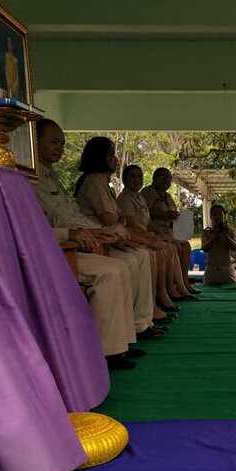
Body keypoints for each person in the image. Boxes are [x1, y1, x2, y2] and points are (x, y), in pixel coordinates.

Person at [32, 122, 142, 368]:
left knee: (123, 265)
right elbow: (37, 226)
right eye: (53, 142)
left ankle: (121, 343)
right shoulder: (28, 179)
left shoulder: (53, 178)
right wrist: (76, 233)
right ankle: (105, 351)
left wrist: (98, 233)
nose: (59, 148)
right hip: (54, 251)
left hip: (74, 243)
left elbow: (74, 216)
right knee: (112, 270)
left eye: (62, 143)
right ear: (34, 142)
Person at [70, 135, 170, 333]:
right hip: (97, 242)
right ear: (101, 158)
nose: (115, 159)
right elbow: (110, 218)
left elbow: (119, 219)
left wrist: (123, 223)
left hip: (109, 239)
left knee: (142, 254)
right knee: (134, 259)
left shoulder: (104, 184)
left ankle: (141, 321)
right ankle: (132, 323)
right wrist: (122, 222)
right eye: (111, 155)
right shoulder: (94, 181)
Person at [116, 163, 188, 312]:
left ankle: (176, 287)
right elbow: (132, 224)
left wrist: (161, 234)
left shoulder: (140, 198)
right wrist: (154, 236)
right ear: (124, 179)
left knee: (175, 246)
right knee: (164, 250)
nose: (137, 180)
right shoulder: (126, 198)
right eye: (133, 176)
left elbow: (147, 222)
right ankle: (160, 296)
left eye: (139, 176)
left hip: (154, 233)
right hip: (135, 238)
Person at [141, 168, 199, 296]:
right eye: (162, 177)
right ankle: (169, 288)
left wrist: (176, 217)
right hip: (153, 231)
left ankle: (184, 282)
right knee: (175, 247)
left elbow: (171, 213)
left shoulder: (167, 196)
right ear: (155, 178)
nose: (166, 180)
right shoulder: (147, 193)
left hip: (169, 231)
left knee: (186, 246)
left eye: (168, 178)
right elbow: (144, 215)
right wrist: (164, 214)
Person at [202, 204, 236, 285]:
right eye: (215, 214)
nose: (217, 217)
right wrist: (214, 237)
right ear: (211, 217)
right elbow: (204, 248)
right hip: (211, 271)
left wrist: (225, 236)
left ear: (224, 217)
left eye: (220, 215)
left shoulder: (230, 231)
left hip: (227, 270)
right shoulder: (207, 232)